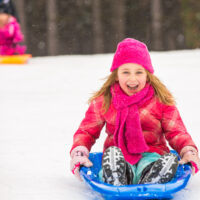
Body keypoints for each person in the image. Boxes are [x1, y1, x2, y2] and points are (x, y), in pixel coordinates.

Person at [70, 38, 200, 185]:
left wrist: (188, 151)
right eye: (126, 72)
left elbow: (177, 132)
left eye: (139, 72)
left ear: (147, 75)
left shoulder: (160, 101)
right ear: (116, 75)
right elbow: (87, 131)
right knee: (115, 156)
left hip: (153, 154)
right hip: (118, 156)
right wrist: (79, 153)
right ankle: (116, 175)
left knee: (152, 161)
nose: (132, 78)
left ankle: (154, 175)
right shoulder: (105, 100)